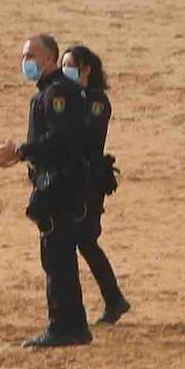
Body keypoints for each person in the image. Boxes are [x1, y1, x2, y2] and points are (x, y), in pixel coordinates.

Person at [0, 33, 92, 348]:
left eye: (30, 56)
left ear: (48, 58)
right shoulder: (52, 92)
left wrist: (20, 151)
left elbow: (59, 140)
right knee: (58, 256)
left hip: (60, 185)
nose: (25, 62)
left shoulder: (58, 93)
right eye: (23, 56)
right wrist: (22, 156)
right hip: (58, 183)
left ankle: (64, 327)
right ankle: (73, 326)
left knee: (57, 257)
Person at [61, 45, 130, 325]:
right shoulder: (69, 97)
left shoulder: (96, 101)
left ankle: (114, 299)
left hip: (89, 180)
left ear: (86, 69)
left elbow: (86, 136)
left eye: (70, 65)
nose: (66, 71)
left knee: (85, 239)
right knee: (83, 241)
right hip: (70, 178)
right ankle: (113, 299)